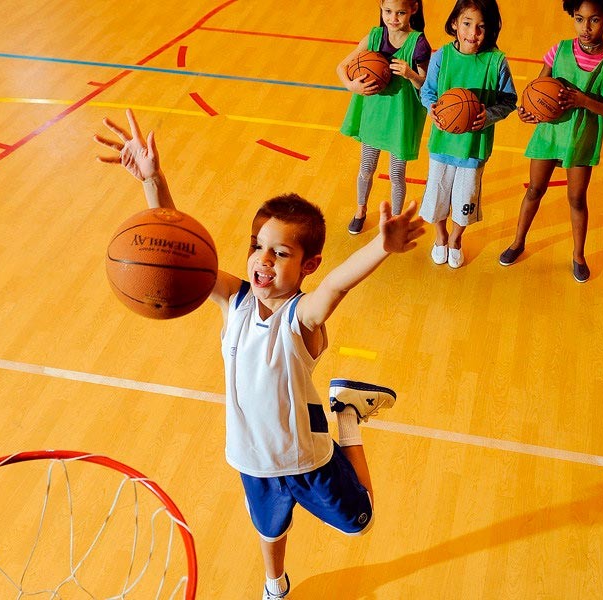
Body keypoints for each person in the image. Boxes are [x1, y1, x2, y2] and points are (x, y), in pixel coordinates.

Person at [94, 109, 425, 600]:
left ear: (307, 264)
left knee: (362, 524)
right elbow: (176, 248)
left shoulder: (303, 318)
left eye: (281, 253)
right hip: (251, 459)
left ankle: (349, 414)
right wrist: (153, 181)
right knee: (268, 530)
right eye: (257, 246)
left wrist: (381, 246)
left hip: (308, 459)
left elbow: (336, 285)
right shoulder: (235, 300)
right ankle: (275, 584)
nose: (263, 260)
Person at [499, 0, 603, 282]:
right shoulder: (559, 49)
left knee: (577, 198)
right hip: (550, 132)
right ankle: (518, 242)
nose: (585, 27)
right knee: (534, 189)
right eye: (579, 19)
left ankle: (578, 255)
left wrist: (582, 100)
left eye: (594, 20)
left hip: (581, 137)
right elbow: (535, 90)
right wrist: (527, 111)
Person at [419, 0, 516, 268]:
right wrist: (433, 109)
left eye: (481, 27)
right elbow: (427, 92)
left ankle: (455, 239)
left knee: (465, 201)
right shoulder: (441, 57)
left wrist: (489, 116)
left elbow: (509, 100)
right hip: (442, 144)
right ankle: (440, 237)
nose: (473, 33)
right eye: (467, 24)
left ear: (491, 30)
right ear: (454, 24)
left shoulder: (496, 62)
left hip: (473, 149)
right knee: (437, 197)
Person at [337, 0, 432, 234]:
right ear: (381, 7)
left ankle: (396, 220)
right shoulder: (374, 37)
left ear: (413, 10)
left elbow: (427, 84)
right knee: (366, 167)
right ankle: (360, 210)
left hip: (401, 118)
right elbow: (341, 66)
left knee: (396, 174)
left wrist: (410, 74)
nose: (393, 18)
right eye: (388, 11)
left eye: (400, 13)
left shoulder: (418, 44)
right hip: (374, 115)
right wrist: (351, 86)